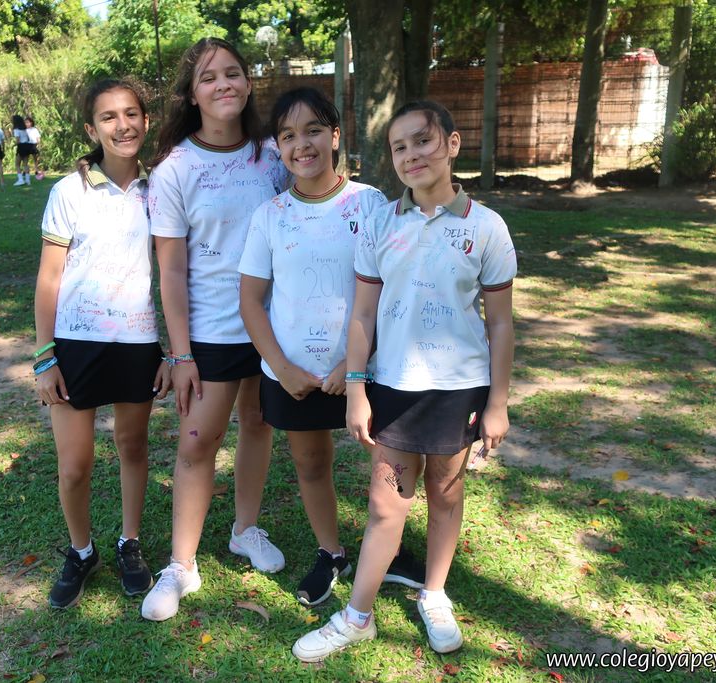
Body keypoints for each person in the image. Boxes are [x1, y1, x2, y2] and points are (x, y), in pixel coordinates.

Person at [292, 100, 517, 661]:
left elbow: (501, 323)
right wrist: (357, 389)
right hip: (392, 387)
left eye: (423, 140)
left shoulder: (486, 227)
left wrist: (497, 403)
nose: (412, 154)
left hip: (458, 390)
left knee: (446, 492)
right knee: (385, 505)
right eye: (399, 146)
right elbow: (363, 315)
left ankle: (434, 594)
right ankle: (357, 617)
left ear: (452, 144)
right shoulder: (379, 223)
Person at [140, 37, 290, 622]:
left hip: (273, 326)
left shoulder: (274, 155)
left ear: (248, 84)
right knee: (197, 444)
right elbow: (171, 270)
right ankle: (182, 564)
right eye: (209, 77)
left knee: (258, 424)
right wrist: (180, 354)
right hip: (211, 332)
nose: (223, 84)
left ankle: (244, 530)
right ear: (191, 94)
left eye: (233, 73)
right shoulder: (174, 168)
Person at [238, 87, 386, 607]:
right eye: (288, 136)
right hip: (295, 375)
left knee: (389, 467)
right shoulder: (270, 215)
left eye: (314, 131)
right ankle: (332, 552)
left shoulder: (371, 205)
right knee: (310, 464)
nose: (302, 145)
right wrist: (281, 367)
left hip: (365, 370)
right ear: (278, 147)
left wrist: (356, 365)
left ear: (336, 136)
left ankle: (389, 549)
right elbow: (251, 301)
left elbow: (391, 292)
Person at [33, 77, 172, 609]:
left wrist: (170, 351)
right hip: (75, 346)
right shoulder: (69, 191)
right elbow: (49, 278)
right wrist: (44, 356)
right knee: (75, 465)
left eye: (132, 113)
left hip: (137, 343)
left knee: (132, 447)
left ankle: (129, 544)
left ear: (145, 121)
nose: (123, 125)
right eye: (109, 117)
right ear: (92, 130)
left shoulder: (161, 189)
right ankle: (81, 551)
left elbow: (172, 272)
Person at [11, 114, 33, 186]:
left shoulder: (16, 130)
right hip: (27, 145)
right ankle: (28, 180)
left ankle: (20, 180)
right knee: (25, 164)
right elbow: (28, 138)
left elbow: (18, 140)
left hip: (21, 146)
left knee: (17, 164)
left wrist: (14, 145)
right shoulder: (24, 129)